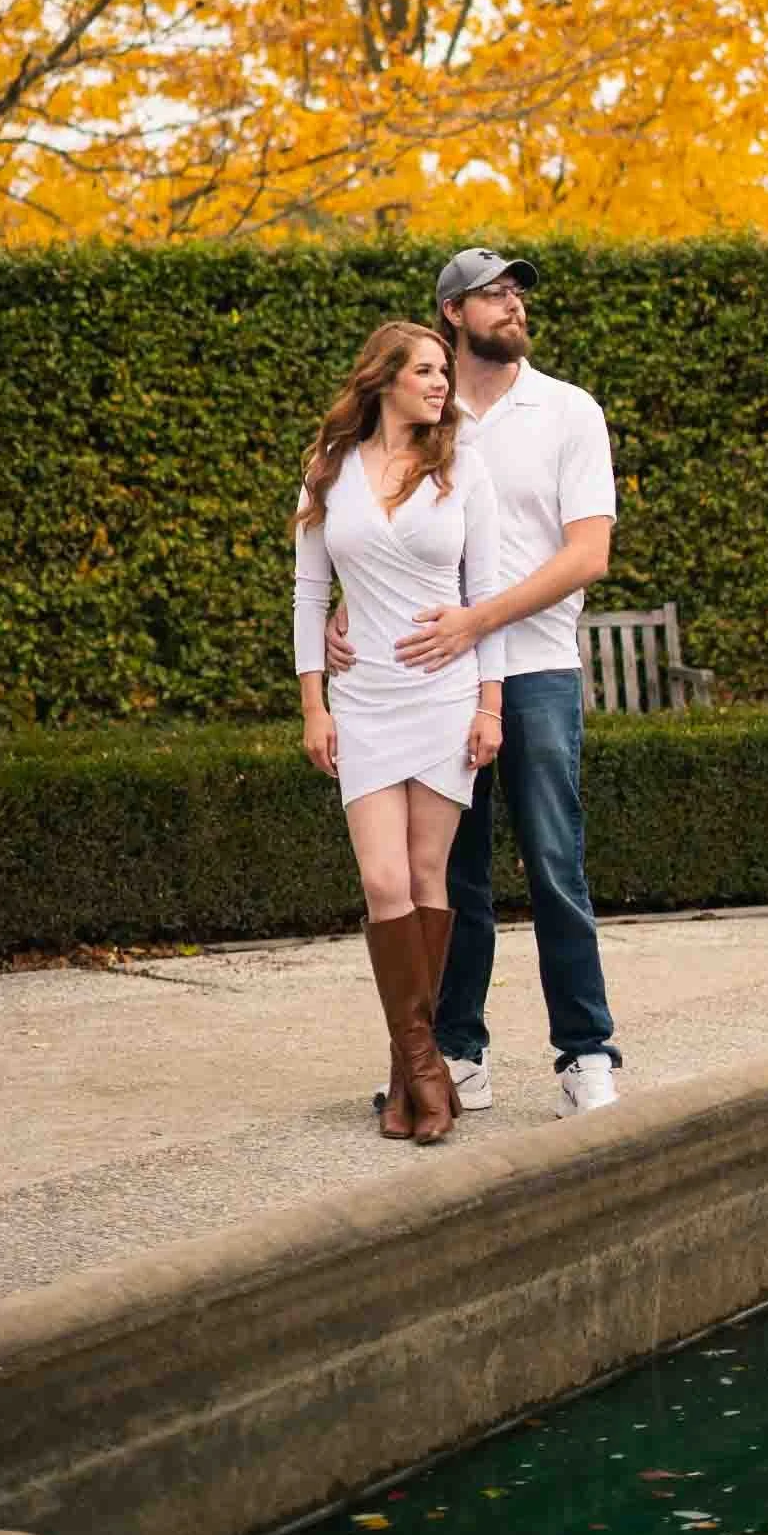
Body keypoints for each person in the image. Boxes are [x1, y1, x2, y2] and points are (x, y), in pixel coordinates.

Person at [328, 249, 622, 1117]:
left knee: (555, 864)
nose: (515, 303)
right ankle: (455, 1053)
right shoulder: (425, 411)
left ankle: (586, 1053)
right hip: (435, 684)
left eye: (519, 291)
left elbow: (588, 554)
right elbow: (379, 528)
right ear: (453, 312)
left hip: (537, 670)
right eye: (495, 293)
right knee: (450, 880)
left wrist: (476, 620)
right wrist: (351, 602)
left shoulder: (567, 410)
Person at [294, 320, 505, 1145]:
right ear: (383, 378)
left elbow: (485, 594)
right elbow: (310, 593)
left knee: (425, 878)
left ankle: (407, 1081)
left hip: (445, 696)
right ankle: (426, 1071)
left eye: (444, 370)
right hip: (365, 702)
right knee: (384, 883)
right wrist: (314, 704)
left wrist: (489, 706)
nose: (441, 383)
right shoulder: (328, 468)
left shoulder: (463, 467)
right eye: (425, 370)